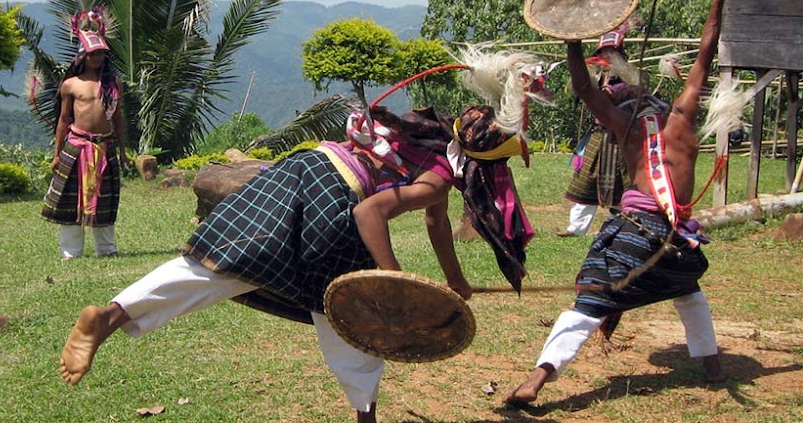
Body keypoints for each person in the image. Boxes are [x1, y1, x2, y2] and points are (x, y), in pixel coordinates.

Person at [59, 48, 546, 422]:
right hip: (338, 200)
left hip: (306, 167)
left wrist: (454, 281)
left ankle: (109, 316)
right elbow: (372, 213)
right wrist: (392, 279)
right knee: (348, 311)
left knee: (223, 263)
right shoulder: (441, 176)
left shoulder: (437, 139)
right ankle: (365, 415)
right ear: (489, 164)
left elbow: (436, 222)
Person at [506, 0, 735, 407]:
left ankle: (536, 381)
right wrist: (718, 0)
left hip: (631, 234)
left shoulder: (625, 128)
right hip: (674, 243)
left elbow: (584, 90)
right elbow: (705, 54)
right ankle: (713, 367)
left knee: (587, 304)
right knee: (689, 295)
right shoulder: (681, 118)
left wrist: (572, 38)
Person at [41, 8, 129, 260]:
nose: (97, 57)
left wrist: (123, 151)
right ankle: (70, 252)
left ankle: (107, 249)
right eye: (93, 54)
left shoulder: (114, 84)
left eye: (101, 53)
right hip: (76, 147)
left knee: (105, 200)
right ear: (83, 55)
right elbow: (63, 119)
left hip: (105, 146)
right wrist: (57, 154)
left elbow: (118, 118)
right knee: (70, 202)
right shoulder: (71, 84)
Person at [558, 24, 633, 238]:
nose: (606, 57)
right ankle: (576, 228)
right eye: (602, 53)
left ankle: (622, 225)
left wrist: (612, 93)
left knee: (624, 184)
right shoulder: (595, 76)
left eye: (610, 53)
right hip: (599, 136)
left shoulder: (628, 78)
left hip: (621, 139)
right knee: (585, 182)